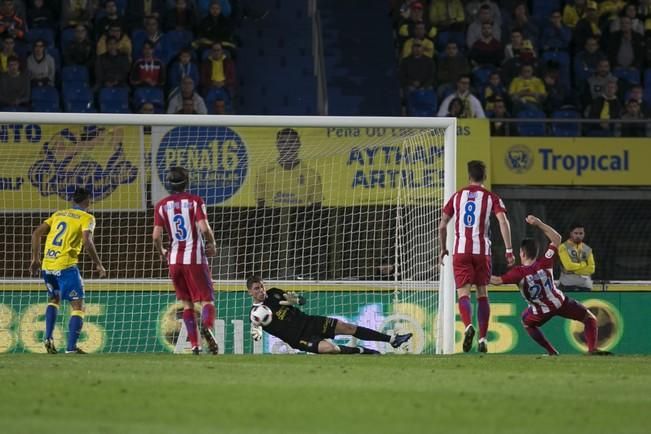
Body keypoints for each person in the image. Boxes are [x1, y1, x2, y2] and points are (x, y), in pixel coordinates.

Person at [490, 215, 611, 355]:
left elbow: (497, 281)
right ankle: (592, 350)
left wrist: (477, 275)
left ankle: (552, 352)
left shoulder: (518, 273)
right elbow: (557, 239)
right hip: (560, 302)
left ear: (522, 253)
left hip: (540, 311)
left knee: (526, 321)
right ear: (536, 253)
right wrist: (539, 224)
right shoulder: (545, 261)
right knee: (590, 318)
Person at [438, 160, 514, 353]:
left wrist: (442, 248)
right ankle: (482, 339)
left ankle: (467, 326)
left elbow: (442, 225)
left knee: (463, 293)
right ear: (484, 177)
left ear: (468, 176)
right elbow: (503, 221)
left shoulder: (457, 196)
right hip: (482, 252)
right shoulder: (491, 197)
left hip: (461, 251)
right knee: (482, 293)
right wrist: (509, 250)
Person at [246, 275, 412, 354]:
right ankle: (363, 351)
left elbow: (302, 301)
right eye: (256, 288)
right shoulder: (255, 314)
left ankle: (393, 340)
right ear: (249, 292)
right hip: (299, 339)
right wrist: (257, 333)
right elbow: (257, 331)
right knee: (330, 349)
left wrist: (296, 300)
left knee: (348, 327)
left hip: (309, 322)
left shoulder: (275, 293)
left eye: (261, 286)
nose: (260, 290)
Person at [29, 187, 107, 354]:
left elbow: (36, 233)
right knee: (78, 306)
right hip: (65, 266)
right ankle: (71, 348)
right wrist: (98, 264)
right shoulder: (87, 217)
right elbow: (87, 242)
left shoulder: (58, 214)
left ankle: (48, 336)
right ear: (87, 201)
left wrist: (35, 259)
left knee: (54, 298)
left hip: (48, 265)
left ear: (73, 201)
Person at [152, 166, 220, 355]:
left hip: (174, 260)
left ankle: (195, 345)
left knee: (187, 304)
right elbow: (204, 228)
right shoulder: (195, 201)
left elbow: (156, 236)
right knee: (207, 301)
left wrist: (161, 251)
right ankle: (207, 326)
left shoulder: (161, 205)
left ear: (169, 184)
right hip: (195, 258)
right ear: (187, 181)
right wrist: (212, 243)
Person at [558, 223, 596, 291]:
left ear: (584, 234)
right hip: (567, 285)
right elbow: (568, 266)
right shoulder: (563, 247)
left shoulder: (587, 249)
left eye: (581, 233)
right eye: (576, 233)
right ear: (571, 233)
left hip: (585, 286)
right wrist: (584, 265)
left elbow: (591, 269)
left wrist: (574, 271)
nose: (578, 236)